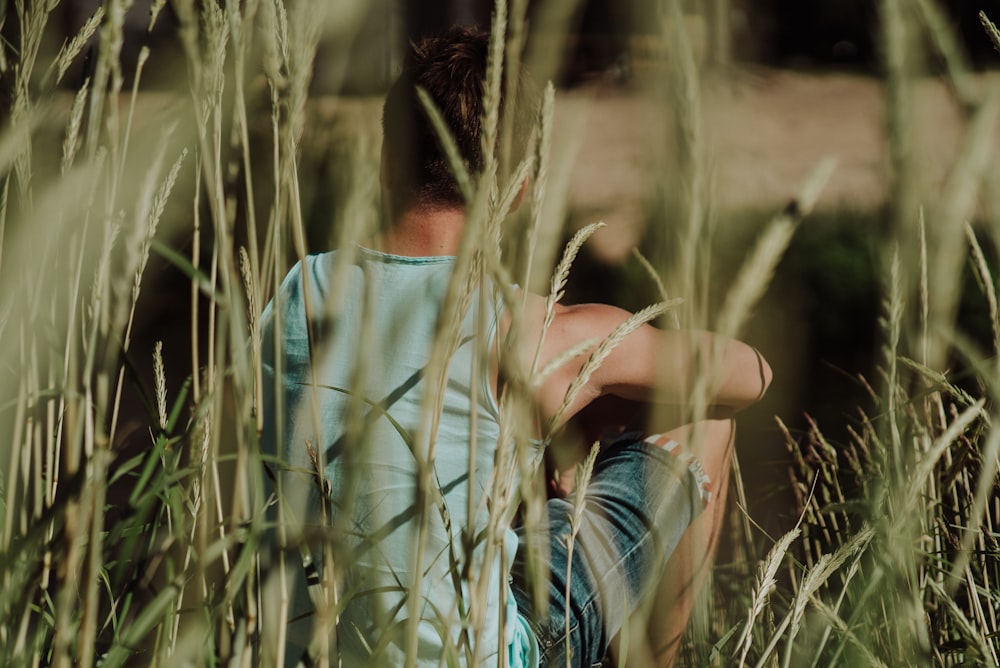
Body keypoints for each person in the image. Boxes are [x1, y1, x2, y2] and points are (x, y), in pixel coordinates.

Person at [260, 25, 771, 668]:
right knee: (700, 421)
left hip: (316, 649)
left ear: (385, 160)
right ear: (523, 189)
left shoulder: (294, 293)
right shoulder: (535, 332)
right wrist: (589, 391)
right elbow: (751, 374)